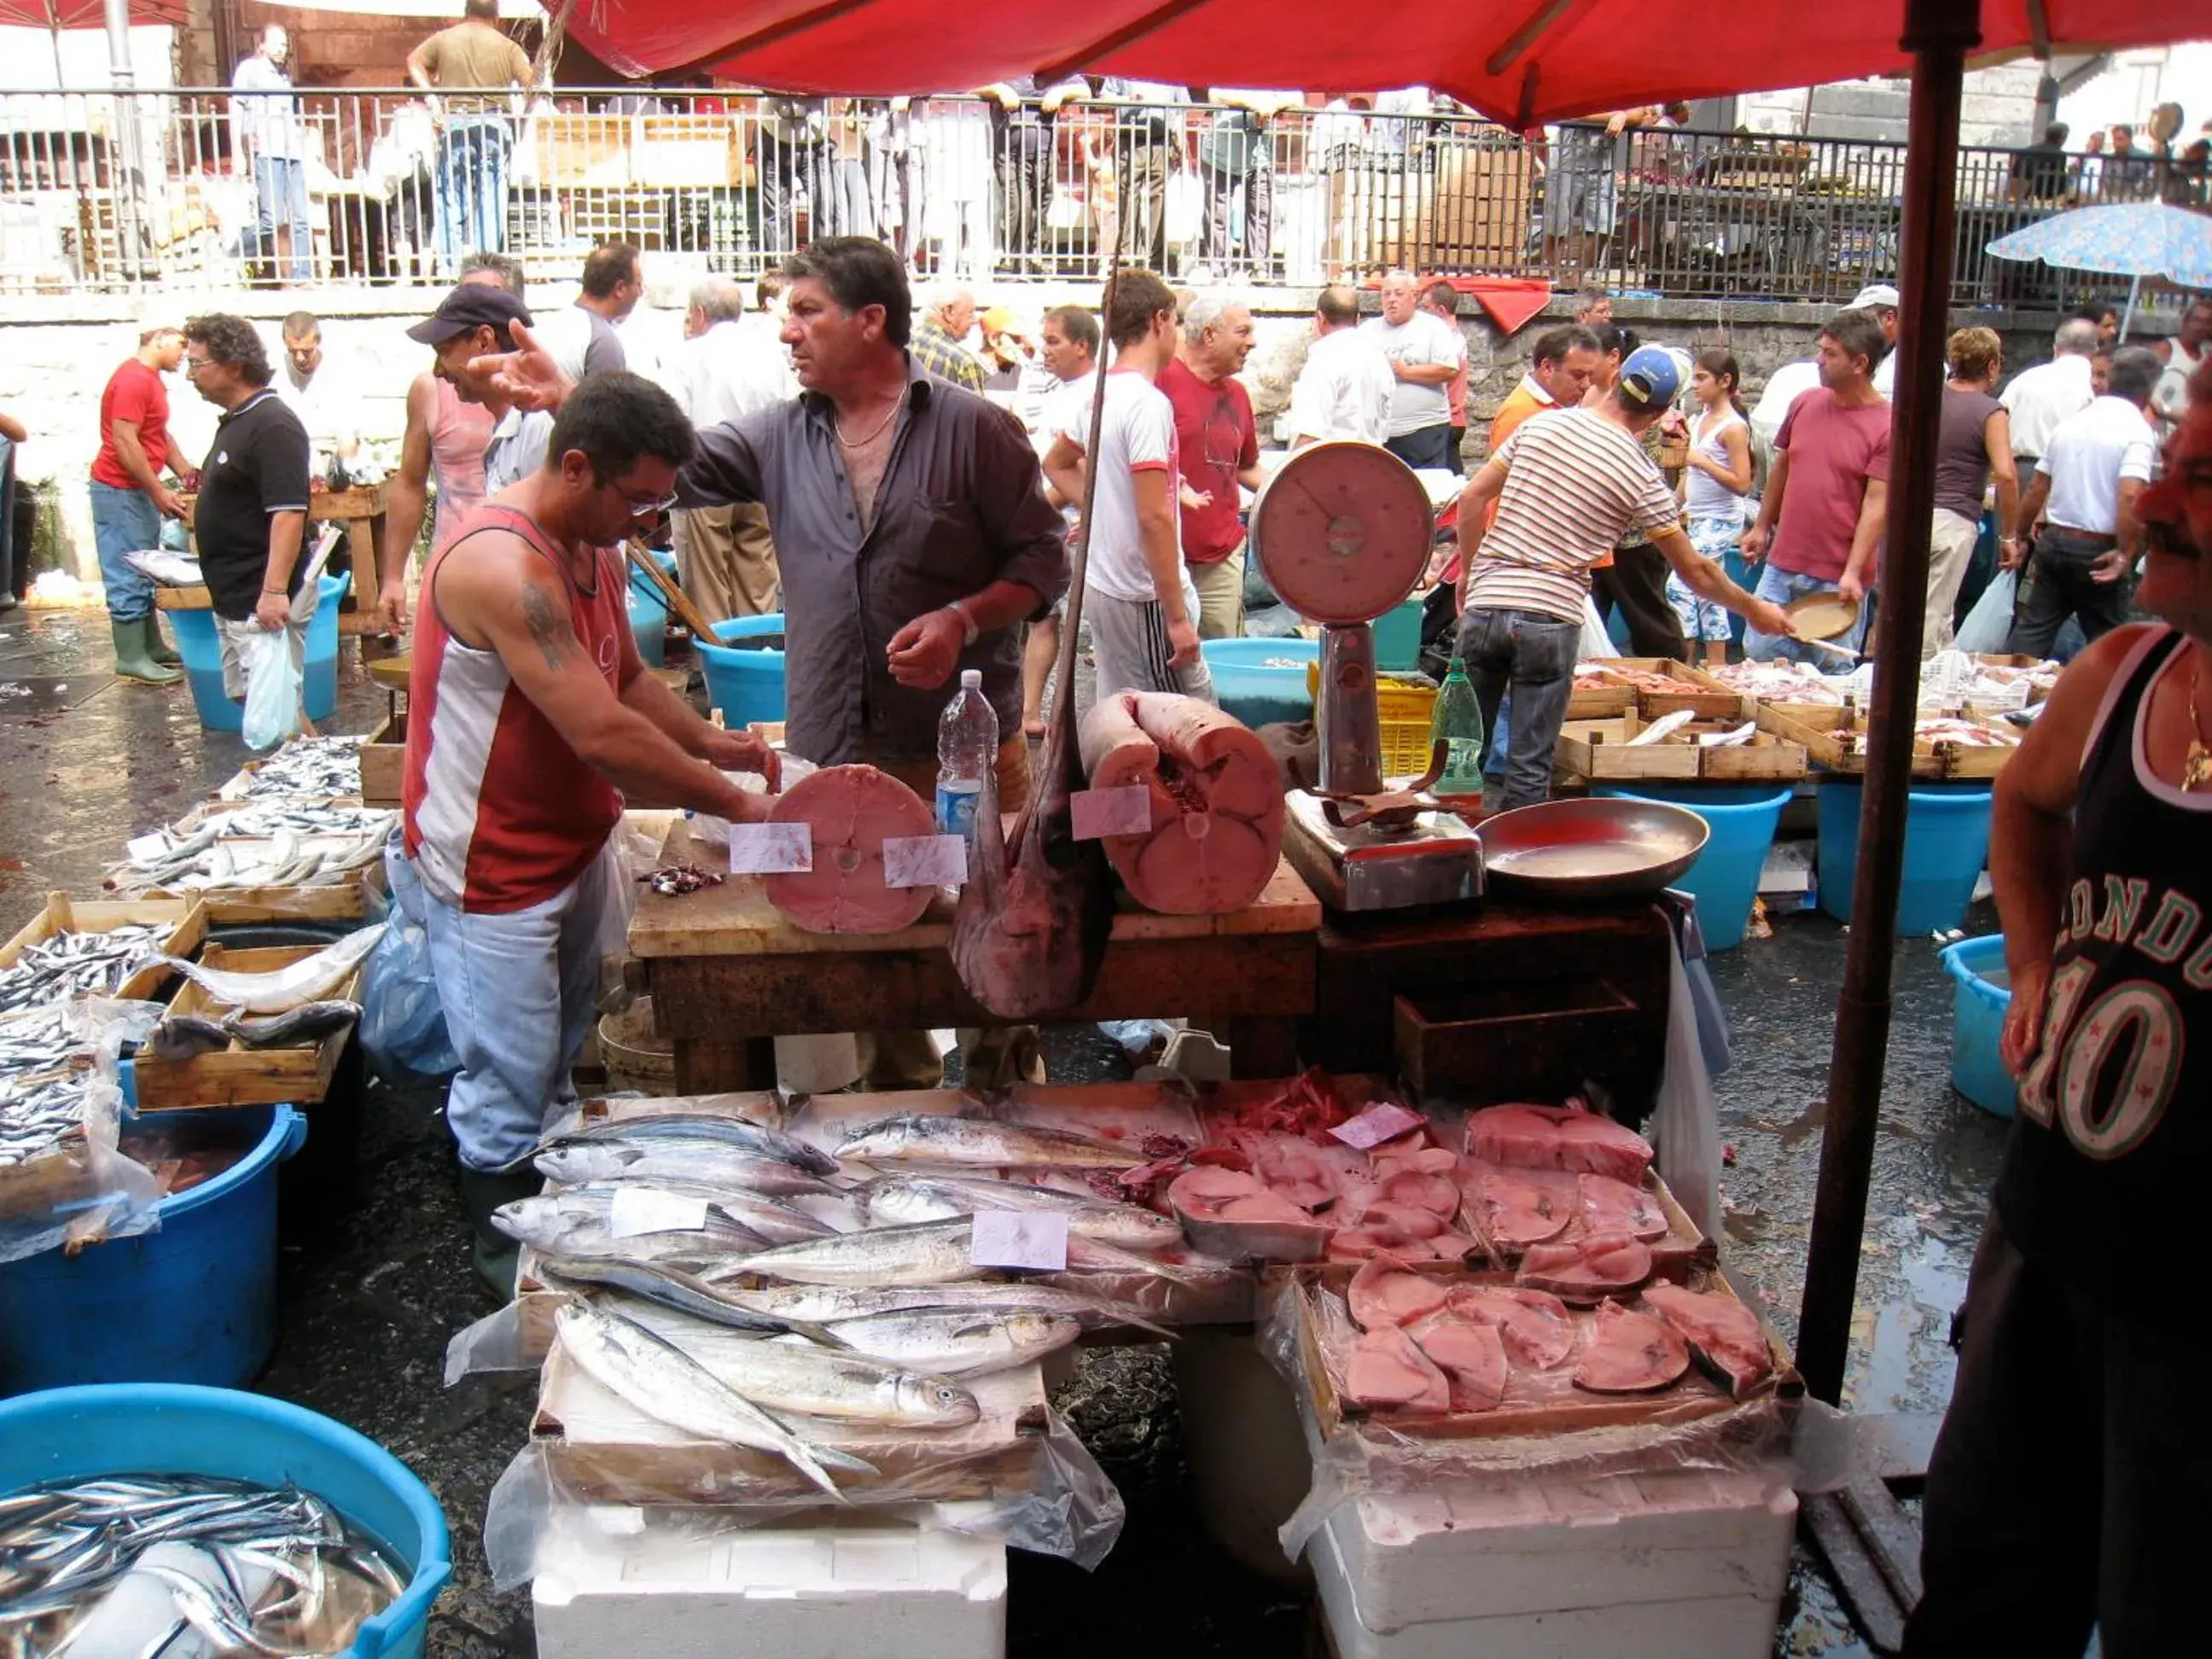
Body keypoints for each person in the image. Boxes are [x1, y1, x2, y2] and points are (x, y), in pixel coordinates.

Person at [480, 236, 1068, 1093]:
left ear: (872, 321)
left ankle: (1010, 1102)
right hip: (836, 753)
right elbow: (664, 468)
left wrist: (959, 617)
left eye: (805, 312)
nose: (786, 333)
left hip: (959, 758)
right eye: (783, 315)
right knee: (865, 953)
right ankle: (898, 1118)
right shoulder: (777, 436)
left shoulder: (975, 429)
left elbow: (1043, 563)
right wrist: (573, 403)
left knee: (993, 938)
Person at [1902, 358, 2212, 1659]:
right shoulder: (2127, 673)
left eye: (2197, 478)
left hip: (2196, 1307)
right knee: (1985, 1577)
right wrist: (2033, 967)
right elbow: (2024, 809)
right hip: (2045, 1225)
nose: (2151, 498)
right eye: (2170, 464)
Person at [398, 372, 779, 1294]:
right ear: (577, 467)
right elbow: (602, 734)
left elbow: (630, 686)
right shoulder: (502, 564)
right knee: (506, 1066)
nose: (652, 522)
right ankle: (503, 1244)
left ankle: (553, 1184)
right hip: (490, 863)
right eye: (641, 499)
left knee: (566, 1042)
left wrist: (720, 745)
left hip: (570, 842)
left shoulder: (590, 548)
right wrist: (736, 806)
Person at [1452, 347, 1789, 809]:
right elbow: (1696, 570)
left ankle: (1445, 862)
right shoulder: (1639, 473)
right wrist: (1754, 610)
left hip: (1489, 602)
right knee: (1529, 769)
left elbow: (1471, 500)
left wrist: (1472, 573)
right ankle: (1512, 872)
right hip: (1551, 616)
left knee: (1458, 757)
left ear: (1613, 382)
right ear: (1657, 415)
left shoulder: (1543, 425)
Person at [1042, 268, 1211, 701]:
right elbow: (1153, 517)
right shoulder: (1147, 404)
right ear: (1159, 320)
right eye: (1175, 322)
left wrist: (1103, 512)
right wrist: (1176, 619)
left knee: (1121, 719)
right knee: (1186, 724)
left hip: (1108, 586)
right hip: (1143, 596)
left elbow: (1058, 464)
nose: (1176, 332)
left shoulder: (1101, 395)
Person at [179, 315, 315, 725]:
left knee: (276, 708)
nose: (189, 375)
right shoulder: (239, 421)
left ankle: (309, 780)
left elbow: (289, 512)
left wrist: (274, 591)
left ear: (234, 365)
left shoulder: (272, 424)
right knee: (252, 697)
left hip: (259, 595)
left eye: (198, 364)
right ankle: (298, 770)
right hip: (233, 594)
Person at [1741, 309, 1893, 667]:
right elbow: (1784, 464)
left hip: (1837, 574)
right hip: (1784, 561)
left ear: (1860, 363)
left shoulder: (1887, 425)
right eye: (1821, 350)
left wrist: (1854, 571)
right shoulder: (1805, 402)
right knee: (1761, 658)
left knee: (1831, 671)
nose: (1819, 360)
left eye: (1830, 354)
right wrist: (1762, 526)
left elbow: (1877, 504)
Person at [377, 253, 517, 631]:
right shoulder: (431, 389)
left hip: (517, 581)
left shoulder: (537, 406)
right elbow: (409, 484)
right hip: (453, 569)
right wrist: (392, 578)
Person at [2005, 346, 2161, 657]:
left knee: (2034, 627)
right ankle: (2108, 701)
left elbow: (2037, 487)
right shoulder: (2137, 431)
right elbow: (2130, 493)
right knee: (2110, 640)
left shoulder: (2071, 425)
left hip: (2055, 539)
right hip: (2097, 547)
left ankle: (2010, 686)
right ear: (2148, 390)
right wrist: (2126, 553)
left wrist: (2019, 535)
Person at [672, 277, 792, 623]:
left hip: (704, 481)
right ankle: (758, 659)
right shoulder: (770, 354)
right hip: (760, 478)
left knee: (707, 591)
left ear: (698, 313)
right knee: (758, 586)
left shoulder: (689, 354)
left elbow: (672, 417)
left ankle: (716, 672)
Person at [90, 326, 188, 684]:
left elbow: (158, 433)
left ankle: (151, 645)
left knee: (145, 567)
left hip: (135, 490)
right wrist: (157, 489)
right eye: (180, 344)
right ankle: (131, 656)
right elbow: (125, 441)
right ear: (159, 339)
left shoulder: (150, 379)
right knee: (126, 568)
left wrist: (187, 471)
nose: (184, 353)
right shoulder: (133, 380)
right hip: (119, 489)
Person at [1159, 295, 1261, 638]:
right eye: (1243, 331)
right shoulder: (1162, 382)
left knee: (1222, 658)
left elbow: (1245, 467)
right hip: (1164, 556)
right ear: (1209, 334)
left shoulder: (1239, 395)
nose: (1252, 342)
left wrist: (1292, 491)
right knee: (1164, 661)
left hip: (1222, 553)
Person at [405, 0, 533, 271]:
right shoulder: (508, 47)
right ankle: (485, 268)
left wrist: (432, 101)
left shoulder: (444, 39)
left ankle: (451, 269)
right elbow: (529, 82)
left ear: (465, 12)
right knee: (490, 201)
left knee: (451, 196)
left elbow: (414, 61)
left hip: (454, 122)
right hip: (493, 125)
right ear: (497, 17)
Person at [1021, 304, 1099, 736]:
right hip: (1051, 526)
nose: (1044, 350)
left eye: (1054, 341)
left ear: (1082, 345)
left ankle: (1078, 724)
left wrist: (1041, 506)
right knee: (1042, 619)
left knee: (1078, 629)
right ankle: (1030, 713)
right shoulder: (1058, 392)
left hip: (1073, 526)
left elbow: (1081, 468)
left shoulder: (1093, 396)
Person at [1924, 327, 2023, 655]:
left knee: (1919, 611)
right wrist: (2009, 536)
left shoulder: (1928, 396)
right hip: (1953, 519)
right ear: (1993, 366)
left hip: (1910, 517)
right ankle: (1918, 696)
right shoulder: (1990, 412)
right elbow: (2007, 474)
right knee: (1933, 615)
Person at [410, 283, 553, 504]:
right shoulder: (511, 428)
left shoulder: (536, 427)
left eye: (444, 352)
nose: (438, 371)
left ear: (484, 341)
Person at [1671, 349, 1753, 667]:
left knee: (1681, 584)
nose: (1694, 385)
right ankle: (1716, 668)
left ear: (1725, 381)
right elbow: (1689, 474)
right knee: (1710, 594)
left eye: (1702, 378)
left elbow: (1742, 483)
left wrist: (1700, 461)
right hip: (1699, 515)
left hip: (1720, 519)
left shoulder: (1733, 427)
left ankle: (1683, 663)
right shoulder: (1698, 418)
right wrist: (1675, 505)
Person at [230, 26, 311, 285]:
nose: (281, 49)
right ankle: (236, 251)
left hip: (292, 151)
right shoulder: (249, 70)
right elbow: (236, 110)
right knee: (272, 218)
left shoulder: (284, 75)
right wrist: (238, 152)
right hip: (267, 150)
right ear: (261, 44)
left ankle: (303, 274)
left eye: (285, 44)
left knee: (300, 216)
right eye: (276, 43)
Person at [1364, 270, 1467, 473]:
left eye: (1398, 294)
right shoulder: (1367, 330)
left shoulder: (1433, 327)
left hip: (1424, 431)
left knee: (1424, 492)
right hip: (1379, 432)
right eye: (1386, 294)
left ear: (1413, 296)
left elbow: (1448, 370)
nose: (1391, 300)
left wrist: (1405, 372)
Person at [978, 76, 1081, 274]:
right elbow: (973, 83)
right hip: (1010, 153)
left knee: (1040, 206)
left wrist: (1061, 92)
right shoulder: (1004, 59)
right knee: (1017, 206)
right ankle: (1011, 260)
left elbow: (1084, 89)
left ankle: (1033, 256)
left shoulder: (1051, 65)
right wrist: (999, 89)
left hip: (1044, 151)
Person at [1198, 90, 1292, 280]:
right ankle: (1219, 267)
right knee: (1218, 213)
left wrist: (1274, 105)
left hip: (1259, 158)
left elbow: (1297, 97)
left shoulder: (1273, 76)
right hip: (1219, 155)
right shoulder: (1231, 70)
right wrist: (1253, 104)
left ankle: (1258, 267)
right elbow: (1215, 94)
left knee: (1261, 211)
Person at [1285, 285, 1393, 449]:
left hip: (1330, 464)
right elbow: (1384, 424)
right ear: (1357, 318)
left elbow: (1308, 434)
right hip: (1370, 461)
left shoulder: (1322, 360)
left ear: (1320, 317)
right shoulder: (1378, 359)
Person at [1100, 79, 1186, 273]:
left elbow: (1182, 107)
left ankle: (1155, 259)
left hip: (1162, 140)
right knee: (1128, 196)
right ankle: (1126, 259)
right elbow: (1104, 97)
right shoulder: (1122, 61)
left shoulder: (1173, 66)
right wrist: (1127, 99)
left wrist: (1180, 141)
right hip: (1129, 138)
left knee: (1159, 197)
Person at [2002, 317, 2099, 473]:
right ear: (2095, 351)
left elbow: (2000, 417)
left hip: (2019, 470)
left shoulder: (2026, 378)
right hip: (2070, 472)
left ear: (2056, 349)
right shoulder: (2097, 386)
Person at [535, 242, 636, 383]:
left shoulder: (547, 326)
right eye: (638, 285)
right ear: (620, 289)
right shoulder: (602, 340)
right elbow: (607, 404)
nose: (641, 292)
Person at [274, 312, 360, 463]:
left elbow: (347, 436)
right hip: (287, 453)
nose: (300, 358)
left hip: (329, 453)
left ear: (318, 340)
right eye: (293, 351)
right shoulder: (275, 371)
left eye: (306, 351)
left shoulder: (339, 369)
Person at [1421, 281, 1471, 473]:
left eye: (1426, 308)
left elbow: (1442, 375)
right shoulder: (1452, 338)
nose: (1421, 314)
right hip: (1450, 419)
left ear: (1440, 310)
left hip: (1447, 420)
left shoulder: (1448, 341)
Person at [911, 284, 986, 393]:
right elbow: (978, 410)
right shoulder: (962, 363)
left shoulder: (896, 347)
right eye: (970, 313)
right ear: (949, 312)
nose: (975, 321)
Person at [2152, 295, 2210, 428]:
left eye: (2208, 322)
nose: (2201, 327)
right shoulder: (2166, 349)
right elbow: (2145, 389)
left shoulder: (2207, 357)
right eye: (2197, 320)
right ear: (2185, 321)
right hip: (2163, 429)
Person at [1850, 282, 1902, 399]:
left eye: (1864, 319)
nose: (1856, 325)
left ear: (1889, 318)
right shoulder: (1862, 350)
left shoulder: (1918, 364)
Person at [2009, 121, 2071, 202]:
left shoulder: (2027, 150)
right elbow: (2058, 179)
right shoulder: (2059, 155)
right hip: (2044, 195)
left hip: (2022, 193)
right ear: (2062, 138)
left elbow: (2015, 173)